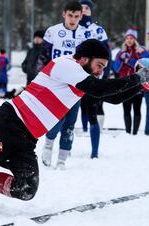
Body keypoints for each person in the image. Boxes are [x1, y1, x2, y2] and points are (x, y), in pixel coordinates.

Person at [0, 39, 149, 201]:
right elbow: (100, 89)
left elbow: (113, 99)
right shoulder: (65, 64)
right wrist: (138, 78)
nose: (100, 71)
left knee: (26, 190)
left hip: (26, 138)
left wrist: (143, 86)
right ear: (84, 58)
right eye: (99, 65)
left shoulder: (81, 76)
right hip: (6, 123)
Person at [39, 1, 88, 168]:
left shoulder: (86, 34)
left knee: (70, 123)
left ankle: (62, 159)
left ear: (81, 16)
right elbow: (44, 58)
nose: (73, 19)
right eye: (70, 15)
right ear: (64, 14)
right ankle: (48, 146)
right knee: (55, 119)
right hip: (56, 84)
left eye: (76, 16)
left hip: (75, 86)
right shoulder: (52, 32)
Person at [78, 0, 110, 159]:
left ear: (91, 11)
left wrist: (106, 72)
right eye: (81, 7)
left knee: (92, 110)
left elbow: (106, 52)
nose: (84, 10)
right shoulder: (73, 29)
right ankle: (65, 148)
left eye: (87, 8)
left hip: (94, 76)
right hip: (76, 75)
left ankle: (95, 151)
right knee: (72, 112)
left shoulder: (98, 30)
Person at [113, 27, 149, 135]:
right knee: (126, 108)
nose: (129, 40)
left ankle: (135, 133)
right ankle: (128, 132)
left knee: (137, 109)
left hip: (137, 84)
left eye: (131, 38)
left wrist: (130, 60)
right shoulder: (120, 52)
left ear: (135, 39)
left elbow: (146, 65)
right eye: (127, 38)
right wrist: (121, 58)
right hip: (124, 84)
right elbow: (116, 68)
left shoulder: (140, 51)